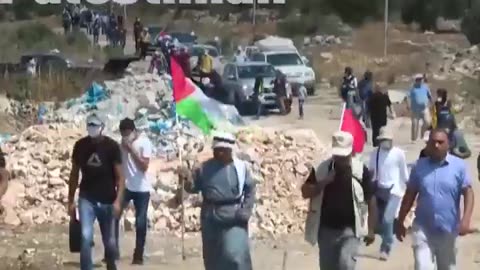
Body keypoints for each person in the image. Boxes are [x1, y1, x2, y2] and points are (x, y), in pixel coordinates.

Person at [395, 128, 475, 270]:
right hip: (423, 229)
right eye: (433, 142)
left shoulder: (459, 166)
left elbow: (468, 193)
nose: (436, 145)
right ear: (428, 145)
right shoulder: (419, 166)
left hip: (448, 229)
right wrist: (401, 219)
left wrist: (466, 220)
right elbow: (410, 194)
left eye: (440, 142)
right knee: (422, 266)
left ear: (448, 144)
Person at [178, 132, 256, 270]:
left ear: (230, 150)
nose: (219, 153)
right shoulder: (204, 168)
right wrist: (185, 178)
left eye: (223, 150)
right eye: (217, 150)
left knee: (235, 255)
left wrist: (246, 210)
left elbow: (250, 190)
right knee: (213, 258)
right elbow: (192, 188)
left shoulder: (240, 168)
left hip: (234, 216)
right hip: (210, 217)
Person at [302, 131, 376, 270]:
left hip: (351, 231)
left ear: (350, 152)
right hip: (326, 231)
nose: (339, 159)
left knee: (346, 264)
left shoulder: (360, 171)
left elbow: (371, 199)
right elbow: (305, 192)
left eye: (343, 156)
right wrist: (323, 182)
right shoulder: (322, 168)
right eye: (337, 155)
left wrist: (371, 228)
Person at [67, 112, 124, 270]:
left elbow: (120, 177)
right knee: (85, 237)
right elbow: (74, 173)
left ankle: (111, 265)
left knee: (110, 242)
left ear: (102, 127)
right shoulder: (80, 146)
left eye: (95, 125)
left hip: (107, 199)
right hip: (87, 199)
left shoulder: (112, 147)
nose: (92, 128)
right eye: (90, 125)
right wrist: (71, 200)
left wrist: (118, 201)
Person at [113, 118, 153, 265]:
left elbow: (144, 166)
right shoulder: (121, 145)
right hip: (126, 187)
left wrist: (131, 150)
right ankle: (113, 251)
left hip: (142, 189)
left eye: (127, 133)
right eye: (122, 133)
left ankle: (138, 255)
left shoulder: (144, 143)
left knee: (140, 222)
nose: (125, 136)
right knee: (114, 216)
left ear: (133, 131)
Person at [368, 126, 408, 261]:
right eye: (384, 140)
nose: (386, 142)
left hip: (395, 191)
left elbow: (404, 174)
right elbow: (371, 173)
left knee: (387, 219)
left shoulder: (399, 154)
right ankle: (387, 235)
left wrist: (409, 191)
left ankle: (386, 247)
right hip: (380, 190)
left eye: (388, 140)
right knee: (381, 221)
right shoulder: (375, 154)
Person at [407, 74, 432, 142]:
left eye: (420, 79)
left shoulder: (425, 87)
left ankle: (422, 134)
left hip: (424, 108)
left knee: (428, 122)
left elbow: (429, 96)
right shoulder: (412, 88)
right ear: (415, 80)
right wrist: (408, 104)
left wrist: (431, 103)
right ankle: (414, 139)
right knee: (415, 124)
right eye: (418, 79)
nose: (419, 81)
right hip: (415, 109)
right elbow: (408, 97)